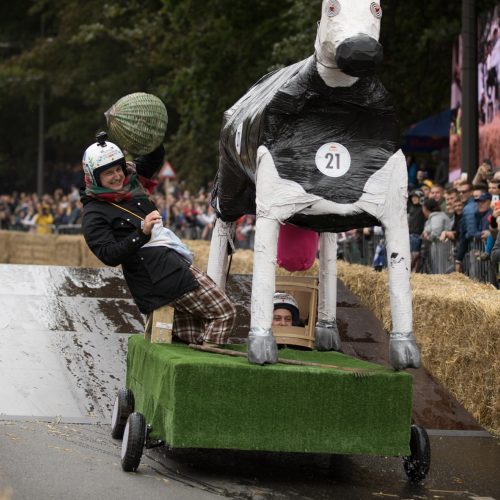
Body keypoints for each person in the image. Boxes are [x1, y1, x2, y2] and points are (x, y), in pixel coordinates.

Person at [80, 132, 236, 346]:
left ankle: (193, 361)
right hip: (157, 278)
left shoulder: (132, 180)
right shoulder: (93, 213)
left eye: (118, 169)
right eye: (108, 173)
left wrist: (143, 133)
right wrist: (141, 233)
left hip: (169, 265)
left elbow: (154, 156)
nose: (117, 176)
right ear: (95, 177)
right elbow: (108, 255)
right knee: (224, 313)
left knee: (192, 333)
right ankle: (207, 367)